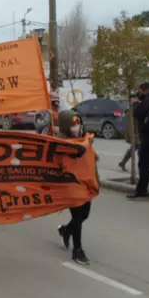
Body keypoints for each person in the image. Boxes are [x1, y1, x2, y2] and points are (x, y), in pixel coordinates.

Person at [55, 110, 96, 265]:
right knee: (78, 215)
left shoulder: (84, 139)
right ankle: (77, 250)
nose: (77, 128)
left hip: (84, 182)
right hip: (71, 183)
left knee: (84, 214)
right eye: (74, 125)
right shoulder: (61, 143)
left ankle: (66, 230)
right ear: (66, 127)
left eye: (79, 124)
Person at [119, 93, 141, 172]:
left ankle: (123, 163)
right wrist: (133, 134)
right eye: (132, 99)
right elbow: (130, 124)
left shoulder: (133, 108)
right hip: (136, 133)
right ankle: (143, 168)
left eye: (135, 98)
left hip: (138, 133)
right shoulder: (131, 109)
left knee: (134, 149)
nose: (134, 100)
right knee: (140, 150)